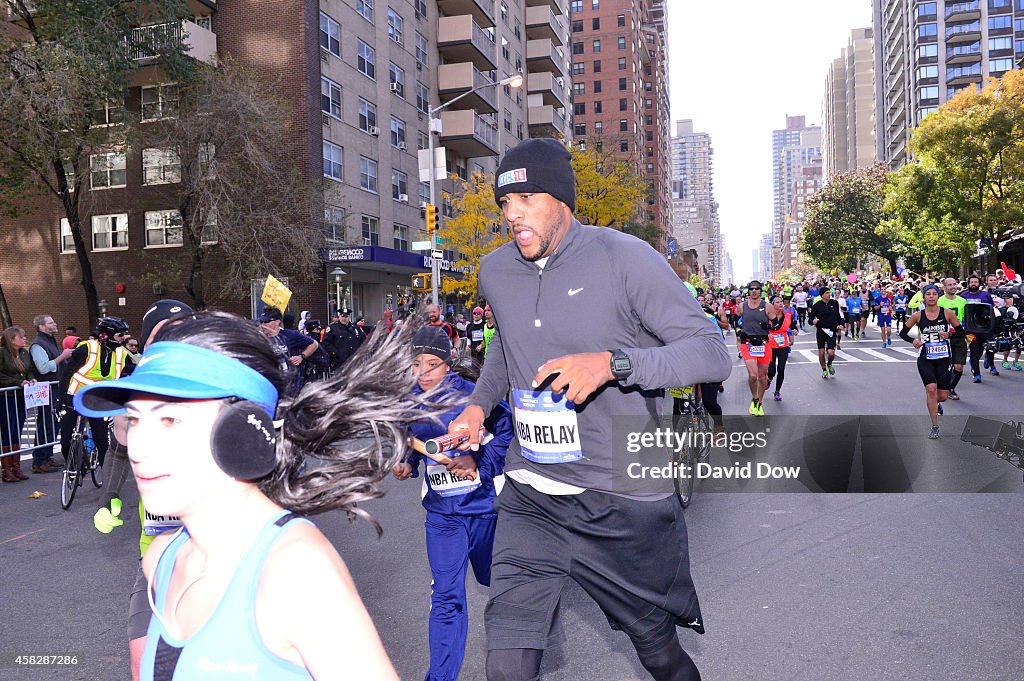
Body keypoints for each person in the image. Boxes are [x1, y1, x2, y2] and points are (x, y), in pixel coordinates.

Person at [447, 138, 731, 681]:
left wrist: (613, 365)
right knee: (507, 664)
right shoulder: (495, 271)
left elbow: (713, 354)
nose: (513, 215)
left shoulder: (625, 258)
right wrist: (478, 408)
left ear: (562, 200)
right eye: (505, 204)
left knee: (660, 656)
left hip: (619, 496)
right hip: (531, 494)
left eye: (526, 199)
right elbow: (505, 349)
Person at [74, 311, 419, 681]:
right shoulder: (162, 560)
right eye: (135, 419)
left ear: (243, 429)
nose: (140, 446)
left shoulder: (294, 570)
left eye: (170, 420)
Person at [393, 326, 513, 681]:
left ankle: (531, 622)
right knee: (446, 596)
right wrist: (406, 462)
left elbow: (508, 431)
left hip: (485, 511)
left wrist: (479, 463)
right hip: (442, 516)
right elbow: (411, 440)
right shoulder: (408, 401)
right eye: (416, 364)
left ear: (447, 364)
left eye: (432, 364)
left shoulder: (474, 397)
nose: (423, 372)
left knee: (501, 583)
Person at [60, 316, 134, 469]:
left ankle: (106, 479)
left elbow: (132, 374)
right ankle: (74, 468)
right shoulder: (86, 348)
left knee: (102, 442)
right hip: (74, 398)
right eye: (120, 335)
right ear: (105, 335)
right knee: (65, 441)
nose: (124, 338)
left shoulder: (123, 354)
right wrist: (60, 401)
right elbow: (66, 374)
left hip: (99, 401)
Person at [899, 284, 964, 439]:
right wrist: (913, 340)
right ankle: (934, 426)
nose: (932, 296)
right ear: (924, 297)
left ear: (938, 296)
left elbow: (961, 332)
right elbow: (902, 333)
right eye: (928, 294)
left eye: (935, 294)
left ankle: (938, 404)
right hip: (925, 358)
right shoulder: (918, 315)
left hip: (943, 358)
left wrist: (950, 335)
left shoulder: (947, 313)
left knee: (942, 396)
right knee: (931, 390)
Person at [28, 314, 74, 472]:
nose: (54, 324)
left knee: (53, 423)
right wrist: (62, 356)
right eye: (51, 322)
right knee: (46, 423)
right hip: (47, 390)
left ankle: (46, 456)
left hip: (54, 389)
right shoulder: (38, 345)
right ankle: (40, 459)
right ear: (42, 327)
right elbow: (43, 368)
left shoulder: (48, 341)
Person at [737, 280, 781, 416]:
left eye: (756, 289)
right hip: (748, 343)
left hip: (763, 344)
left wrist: (767, 327)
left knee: (762, 377)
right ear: (748, 291)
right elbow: (735, 321)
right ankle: (755, 398)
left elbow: (776, 325)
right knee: (753, 375)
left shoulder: (767, 306)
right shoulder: (742, 306)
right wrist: (739, 331)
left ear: (761, 291)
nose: (754, 291)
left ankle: (759, 403)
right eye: (751, 289)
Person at [1, 326, 36, 482]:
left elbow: (29, 369)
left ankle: (17, 467)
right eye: (21, 337)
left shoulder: (24, 353)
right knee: (8, 429)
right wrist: (18, 382)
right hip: (6, 396)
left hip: (21, 396)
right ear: (12, 339)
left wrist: (32, 378)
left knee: (17, 429)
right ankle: (6, 470)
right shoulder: (2, 353)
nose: (24, 339)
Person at [257, 307, 320, 394]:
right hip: (270, 385)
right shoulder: (259, 339)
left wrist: (301, 356)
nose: (263, 325)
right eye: (261, 322)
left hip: (291, 386)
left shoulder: (290, 335)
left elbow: (314, 344)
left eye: (266, 322)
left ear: (277, 322)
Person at [808, 287, 845, 379]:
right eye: (827, 293)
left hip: (832, 330)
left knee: (831, 353)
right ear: (822, 295)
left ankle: (829, 364)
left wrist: (841, 324)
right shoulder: (816, 305)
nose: (829, 294)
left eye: (830, 292)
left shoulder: (834, 303)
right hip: (821, 331)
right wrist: (813, 321)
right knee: (821, 353)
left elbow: (838, 315)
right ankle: (824, 369)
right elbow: (810, 320)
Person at [766, 295, 796, 401]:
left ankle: (777, 391)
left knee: (781, 369)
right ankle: (769, 379)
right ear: (772, 304)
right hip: (771, 345)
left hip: (783, 345)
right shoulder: (768, 316)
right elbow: (762, 327)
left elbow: (792, 326)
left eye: (781, 302)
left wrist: (794, 330)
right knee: (771, 371)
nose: (780, 303)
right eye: (777, 302)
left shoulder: (787, 315)